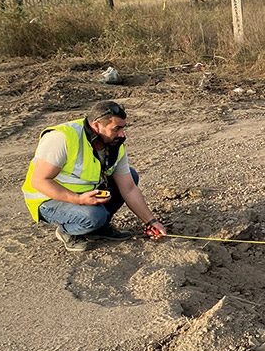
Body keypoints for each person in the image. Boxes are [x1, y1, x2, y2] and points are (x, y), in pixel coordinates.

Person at [21, 100, 168, 252]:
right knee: (94, 216)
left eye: (123, 128)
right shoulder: (62, 137)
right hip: (47, 199)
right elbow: (39, 181)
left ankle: (98, 228)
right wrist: (77, 199)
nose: (122, 134)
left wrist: (151, 221)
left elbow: (129, 189)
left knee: (131, 175)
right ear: (97, 125)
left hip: (83, 194)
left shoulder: (114, 145)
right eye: (116, 128)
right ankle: (68, 231)